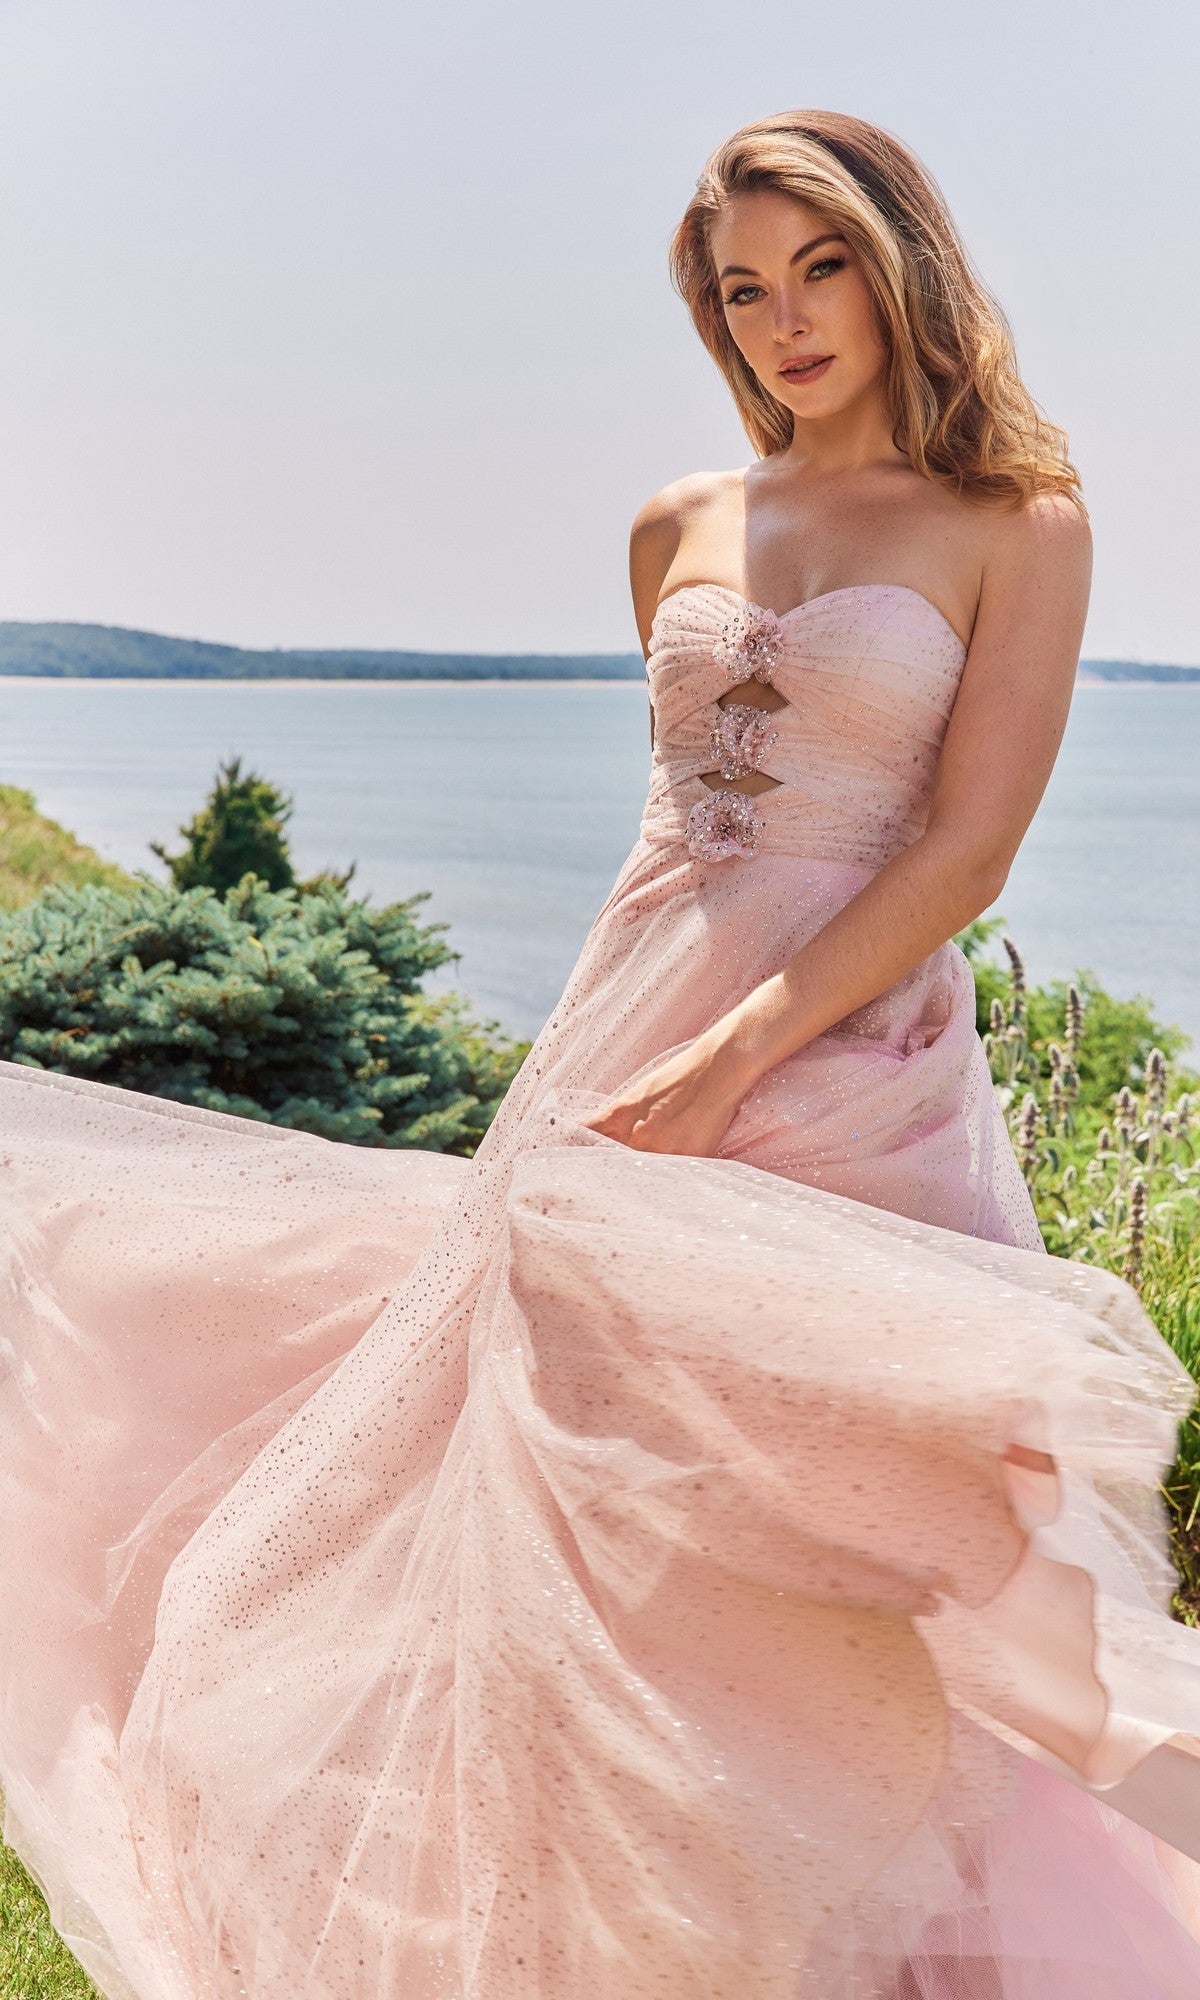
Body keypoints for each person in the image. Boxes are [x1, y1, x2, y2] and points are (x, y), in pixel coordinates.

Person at [1, 107, 1198, 2000]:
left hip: (851, 1050)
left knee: (938, 1548)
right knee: (587, 1541)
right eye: (744, 290)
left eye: (821, 270)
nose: (788, 320)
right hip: (617, 1041)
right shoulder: (677, 526)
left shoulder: (1016, 524)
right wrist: (622, 1064)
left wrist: (743, 1051)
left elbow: (963, 852)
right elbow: (684, 831)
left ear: (900, 268)